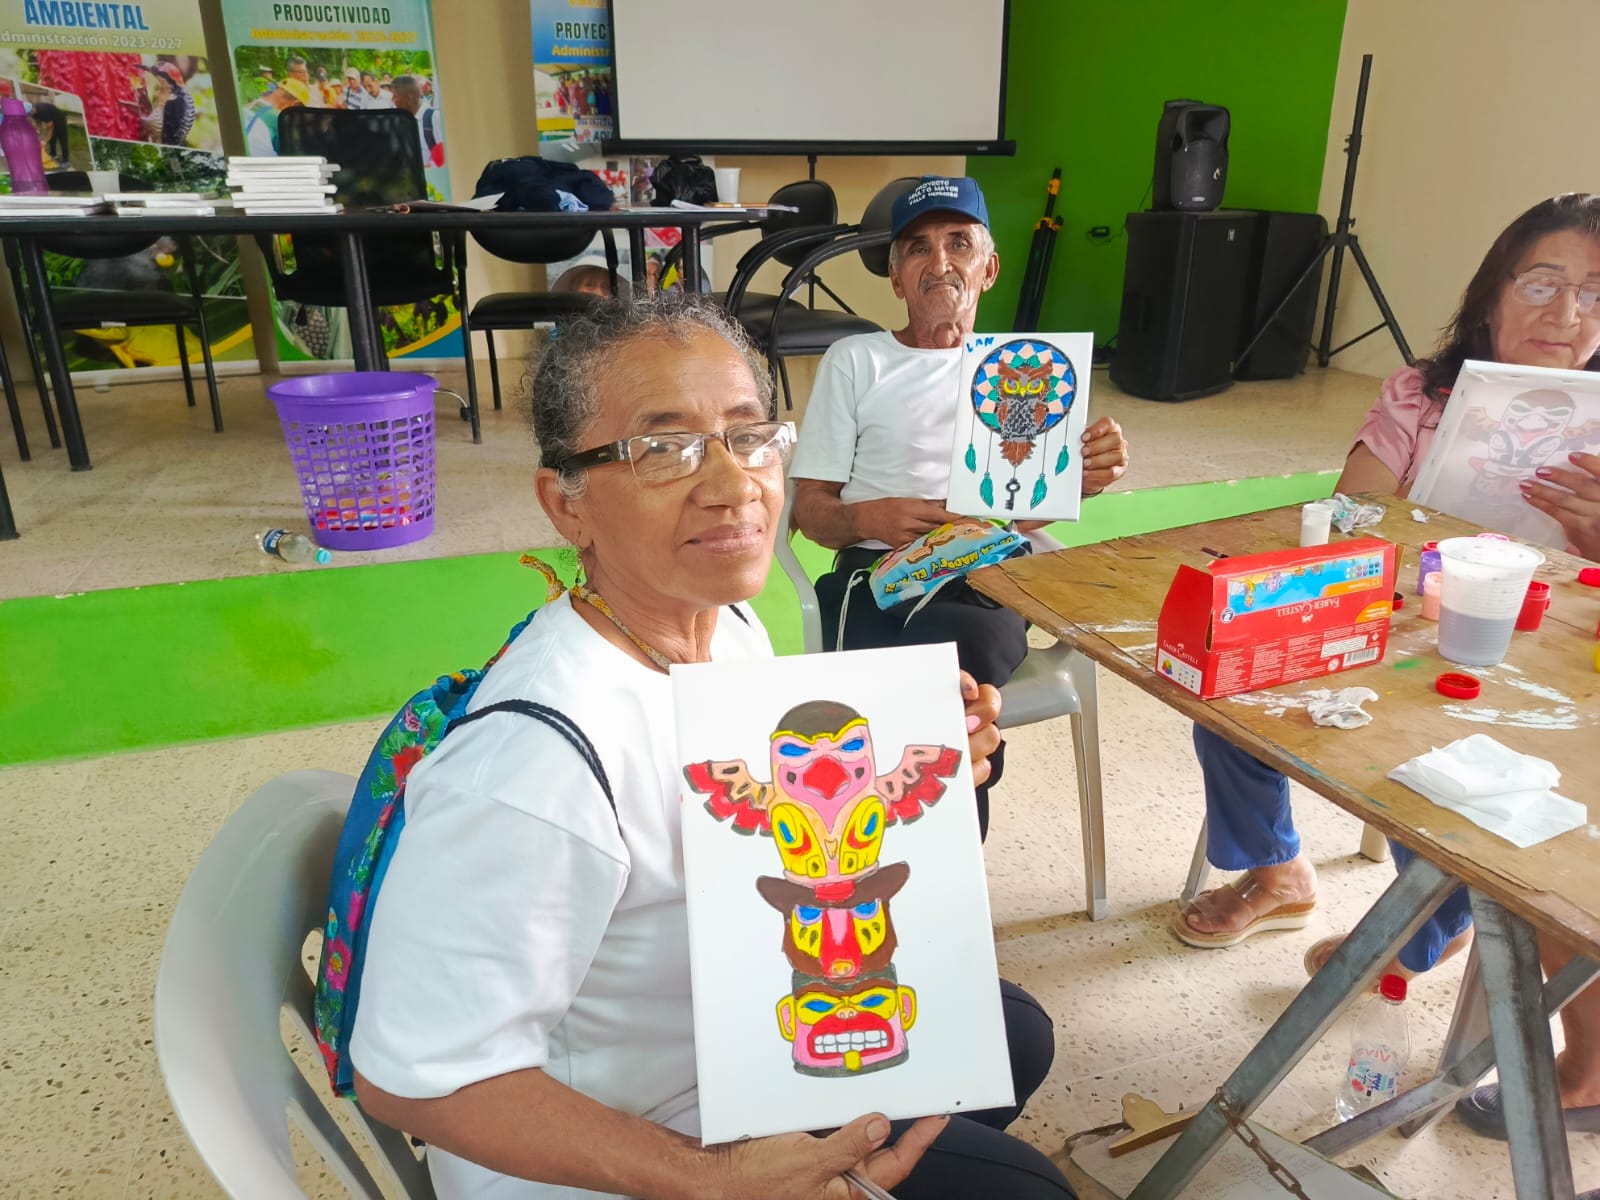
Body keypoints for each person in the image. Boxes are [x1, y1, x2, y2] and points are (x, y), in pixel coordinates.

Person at [349, 296, 1074, 1200]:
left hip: (729, 1041)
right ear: (566, 504)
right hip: (629, 1153)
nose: (736, 484)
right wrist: (715, 1177)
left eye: (750, 435)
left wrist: (917, 785)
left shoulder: (725, 625)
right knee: (1028, 1191)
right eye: (665, 448)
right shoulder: (535, 767)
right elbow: (413, 1079)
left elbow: (761, 835)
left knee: (1013, 1034)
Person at [1168, 192, 1600, 1144]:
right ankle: (1280, 870)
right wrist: (1402, 524)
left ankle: (1469, 963)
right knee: (1226, 680)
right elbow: (1348, 524)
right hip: (1407, 632)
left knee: (1486, 797)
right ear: (1492, 293)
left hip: (1561, 676)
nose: (1568, 314)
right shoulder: (1423, 396)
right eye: (1543, 282)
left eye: (1596, 293)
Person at [790, 175, 1130, 835]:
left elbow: (1019, 512)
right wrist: (866, 518)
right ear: (896, 278)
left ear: (989, 269)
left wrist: (1082, 479)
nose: (939, 262)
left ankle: (938, 856)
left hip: (986, 572)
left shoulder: (1021, 370)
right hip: (875, 566)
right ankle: (933, 849)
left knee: (954, 660)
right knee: (927, 681)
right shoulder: (857, 361)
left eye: (959, 244)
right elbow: (811, 512)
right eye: (918, 248)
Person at [390, 74, 442, 169]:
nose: (392, 99)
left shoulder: (434, 117)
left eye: (395, 96)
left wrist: (426, 167)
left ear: (408, 98)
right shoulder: (402, 120)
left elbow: (445, 157)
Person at [141, 62, 195, 146]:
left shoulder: (174, 99)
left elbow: (166, 132)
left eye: (158, 73)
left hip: (164, 140)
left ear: (166, 78)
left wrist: (141, 118)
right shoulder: (173, 93)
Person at [29, 100, 70, 164]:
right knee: (52, 139)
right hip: (51, 118)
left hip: (60, 119)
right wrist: (37, 132)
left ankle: (65, 159)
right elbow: (38, 122)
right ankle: (53, 153)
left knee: (62, 139)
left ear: (33, 107)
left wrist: (46, 141)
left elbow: (50, 128)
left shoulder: (43, 111)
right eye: (29, 113)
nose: (31, 113)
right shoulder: (32, 113)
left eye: (31, 111)